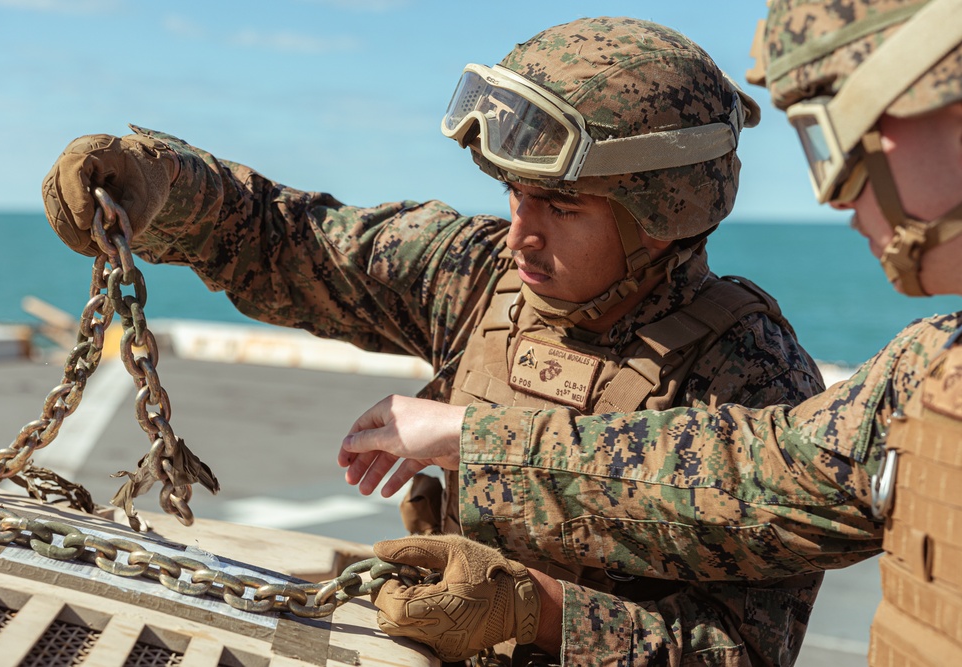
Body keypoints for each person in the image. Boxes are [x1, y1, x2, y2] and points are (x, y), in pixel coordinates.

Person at [42, 16, 826, 667]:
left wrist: (538, 612)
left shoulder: (754, 379)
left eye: (561, 206)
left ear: (661, 214)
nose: (522, 234)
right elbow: (293, 241)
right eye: (514, 194)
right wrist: (162, 185)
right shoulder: (478, 271)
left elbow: (739, 651)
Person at [339, 0, 962, 664]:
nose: (835, 194)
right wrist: (471, 444)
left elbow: (748, 531)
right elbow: (762, 471)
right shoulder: (931, 373)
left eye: (837, 134)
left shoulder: (759, 367)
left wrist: (536, 610)